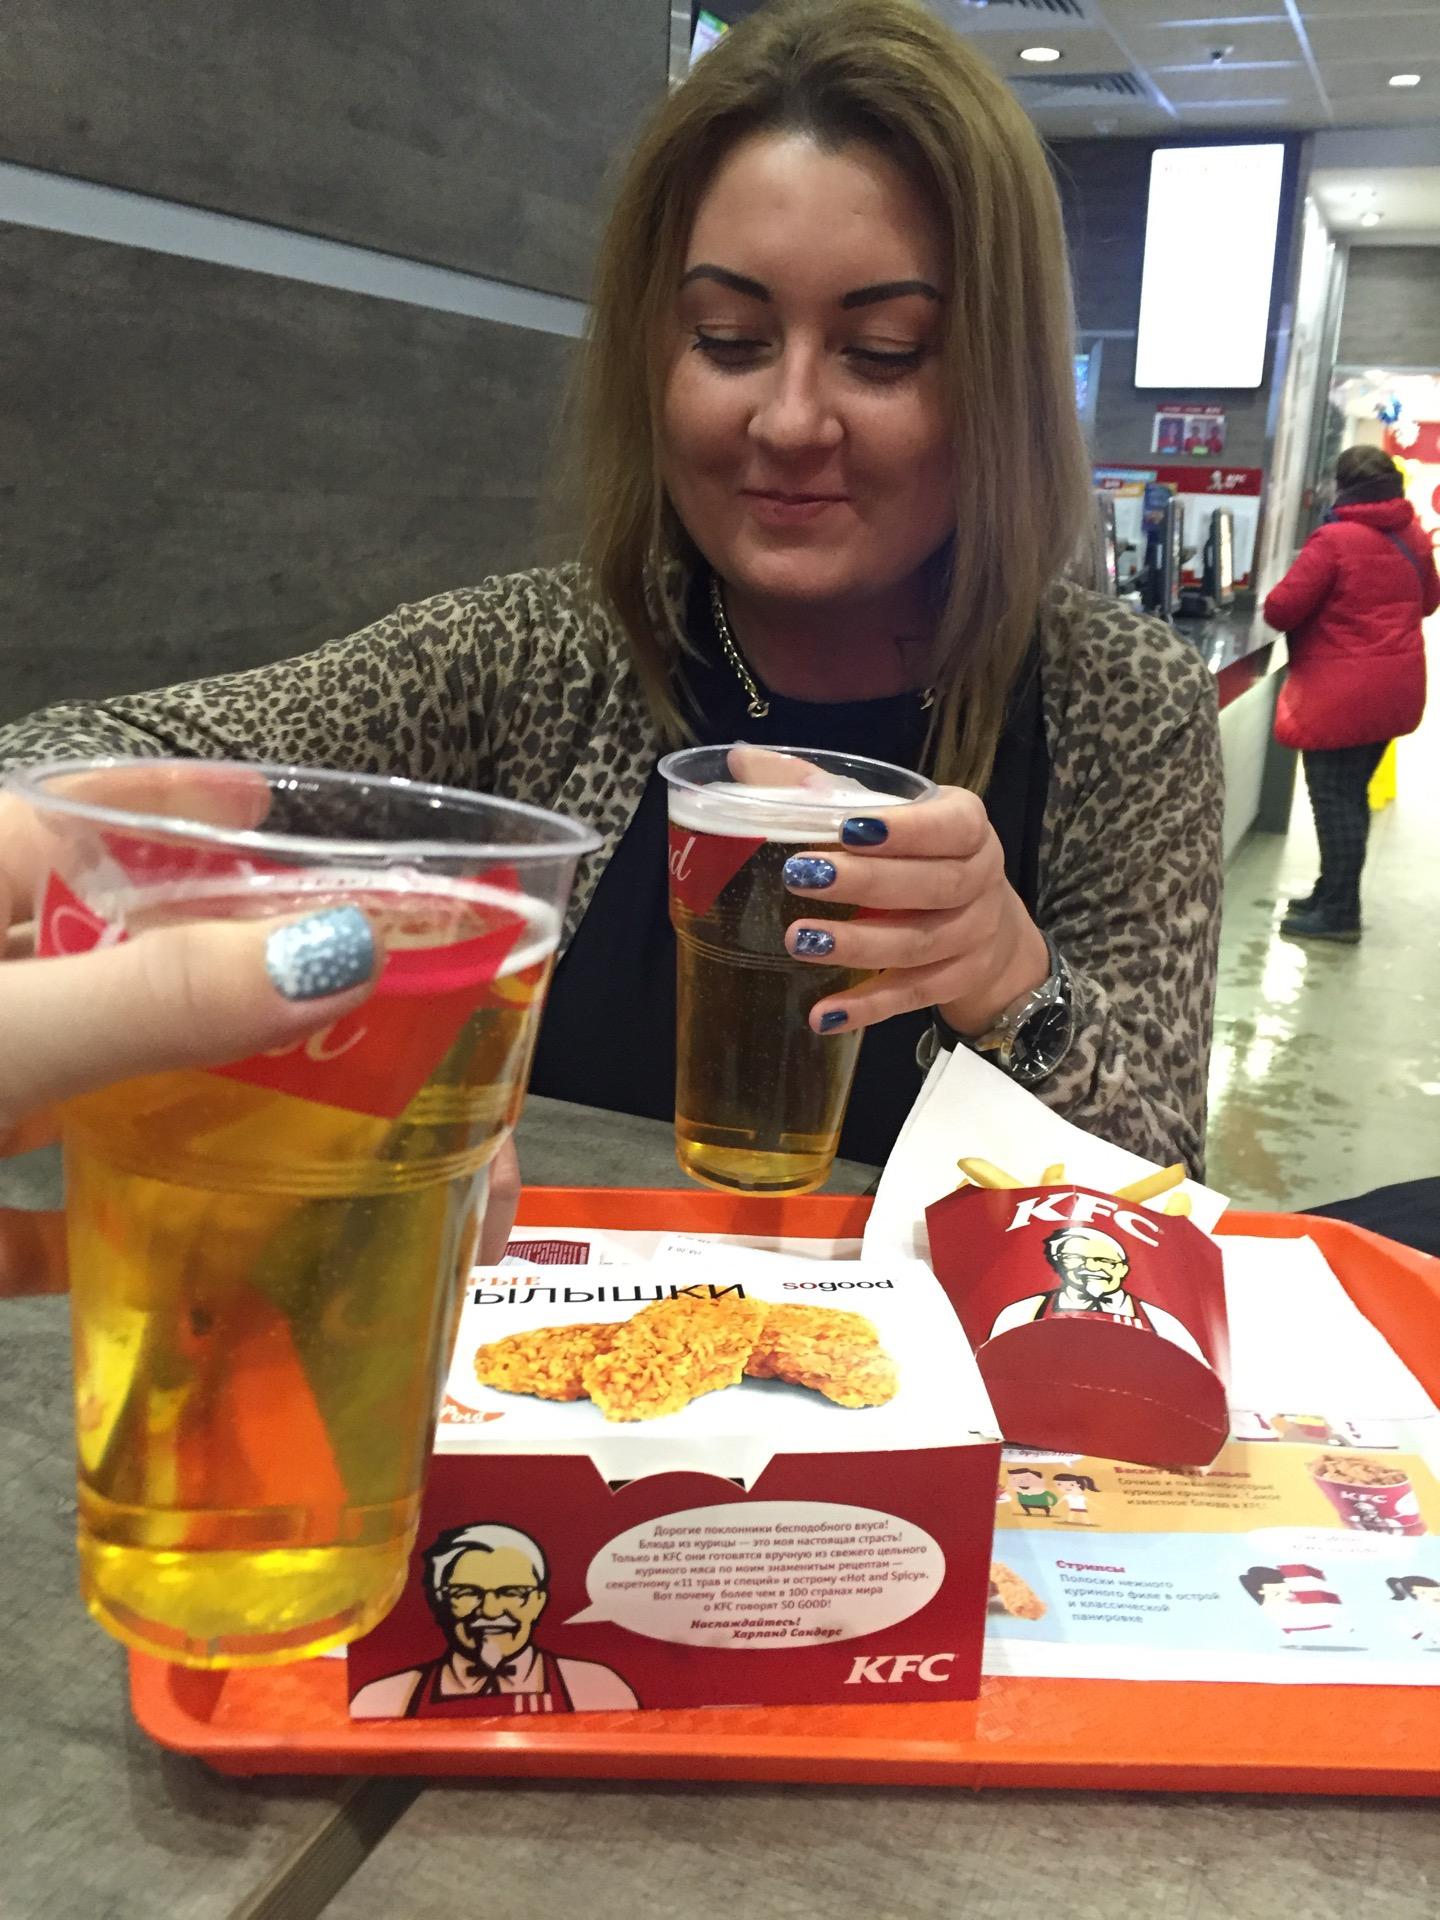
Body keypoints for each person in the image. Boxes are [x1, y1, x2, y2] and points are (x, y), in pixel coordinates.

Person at [0, 0, 1223, 1290]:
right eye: (729, 341)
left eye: (883, 353)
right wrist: (65, 837)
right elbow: (96, 753)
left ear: (998, 380)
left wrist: (1011, 978)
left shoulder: (1118, 702)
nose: (789, 420)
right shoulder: (536, 656)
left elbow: (1161, 1193)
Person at [1264, 444, 1438, 944]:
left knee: (1332, 801)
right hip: (1394, 690)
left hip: (1339, 696)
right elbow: (1430, 601)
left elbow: (1280, 609)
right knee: (1350, 797)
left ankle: (1340, 913)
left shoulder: (1334, 539)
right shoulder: (1411, 535)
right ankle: (1330, 894)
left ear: (1342, 487)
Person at [349, 1522, 638, 1716]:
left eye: (512, 1593)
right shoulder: (387, 1696)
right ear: (440, 1602)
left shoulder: (598, 1686)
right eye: (467, 1593)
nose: (490, 1611)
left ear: (539, 1601)